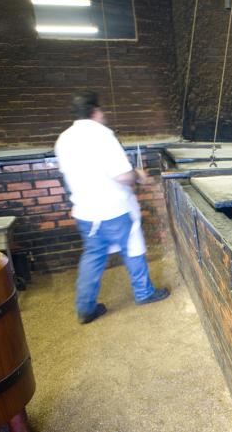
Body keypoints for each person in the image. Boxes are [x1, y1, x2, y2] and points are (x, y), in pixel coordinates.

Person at [55, 90, 169, 324]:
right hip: (113, 209)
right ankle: (144, 293)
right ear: (95, 111)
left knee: (93, 257)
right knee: (133, 247)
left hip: (85, 212)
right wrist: (139, 175)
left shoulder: (63, 139)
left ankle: (85, 308)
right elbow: (122, 176)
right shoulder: (102, 136)